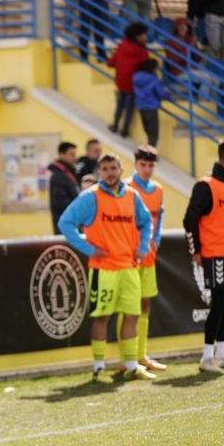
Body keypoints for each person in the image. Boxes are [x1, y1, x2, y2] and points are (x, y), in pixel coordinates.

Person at [58, 153, 154, 382]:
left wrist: (143, 246)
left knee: (132, 314)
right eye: (105, 169)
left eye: (113, 168)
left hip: (128, 267)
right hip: (104, 269)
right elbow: (65, 222)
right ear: (100, 171)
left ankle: (131, 365)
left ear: (121, 170)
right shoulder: (90, 197)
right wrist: (89, 249)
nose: (110, 172)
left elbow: (146, 221)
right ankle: (99, 368)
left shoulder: (132, 195)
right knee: (102, 317)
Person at [182, 137, 224, 373]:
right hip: (215, 255)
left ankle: (223, 352)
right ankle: (206, 356)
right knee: (220, 302)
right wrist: (196, 252)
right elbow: (189, 220)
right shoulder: (205, 185)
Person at [119, 145, 166, 371]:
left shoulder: (158, 189)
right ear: (135, 163)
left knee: (145, 303)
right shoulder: (126, 187)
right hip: (128, 256)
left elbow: (160, 216)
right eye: (143, 164)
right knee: (128, 306)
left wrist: (155, 239)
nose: (147, 169)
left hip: (149, 256)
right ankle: (126, 358)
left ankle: (141, 356)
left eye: (151, 165)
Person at [108, 22, 150, 138]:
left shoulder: (122, 46)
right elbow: (146, 66)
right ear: (137, 36)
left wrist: (110, 63)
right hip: (133, 84)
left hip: (120, 81)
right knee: (129, 108)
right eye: (144, 35)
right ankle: (124, 130)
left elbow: (112, 61)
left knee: (119, 105)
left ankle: (115, 125)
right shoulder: (142, 52)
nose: (146, 37)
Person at [132, 58, 171, 147]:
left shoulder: (136, 77)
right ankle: (150, 154)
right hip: (151, 108)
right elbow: (161, 93)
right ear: (153, 68)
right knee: (153, 134)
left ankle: (149, 152)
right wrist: (169, 95)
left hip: (141, 107)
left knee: (148, 131)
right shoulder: (153, 79)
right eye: (157, 68)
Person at [49, 141, 80, 235]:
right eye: (71, 154)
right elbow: (61, 203)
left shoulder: (68, 173)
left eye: (75, 154)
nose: (75, 157)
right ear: (61, 155)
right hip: (66, 227)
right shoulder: (59, 176)